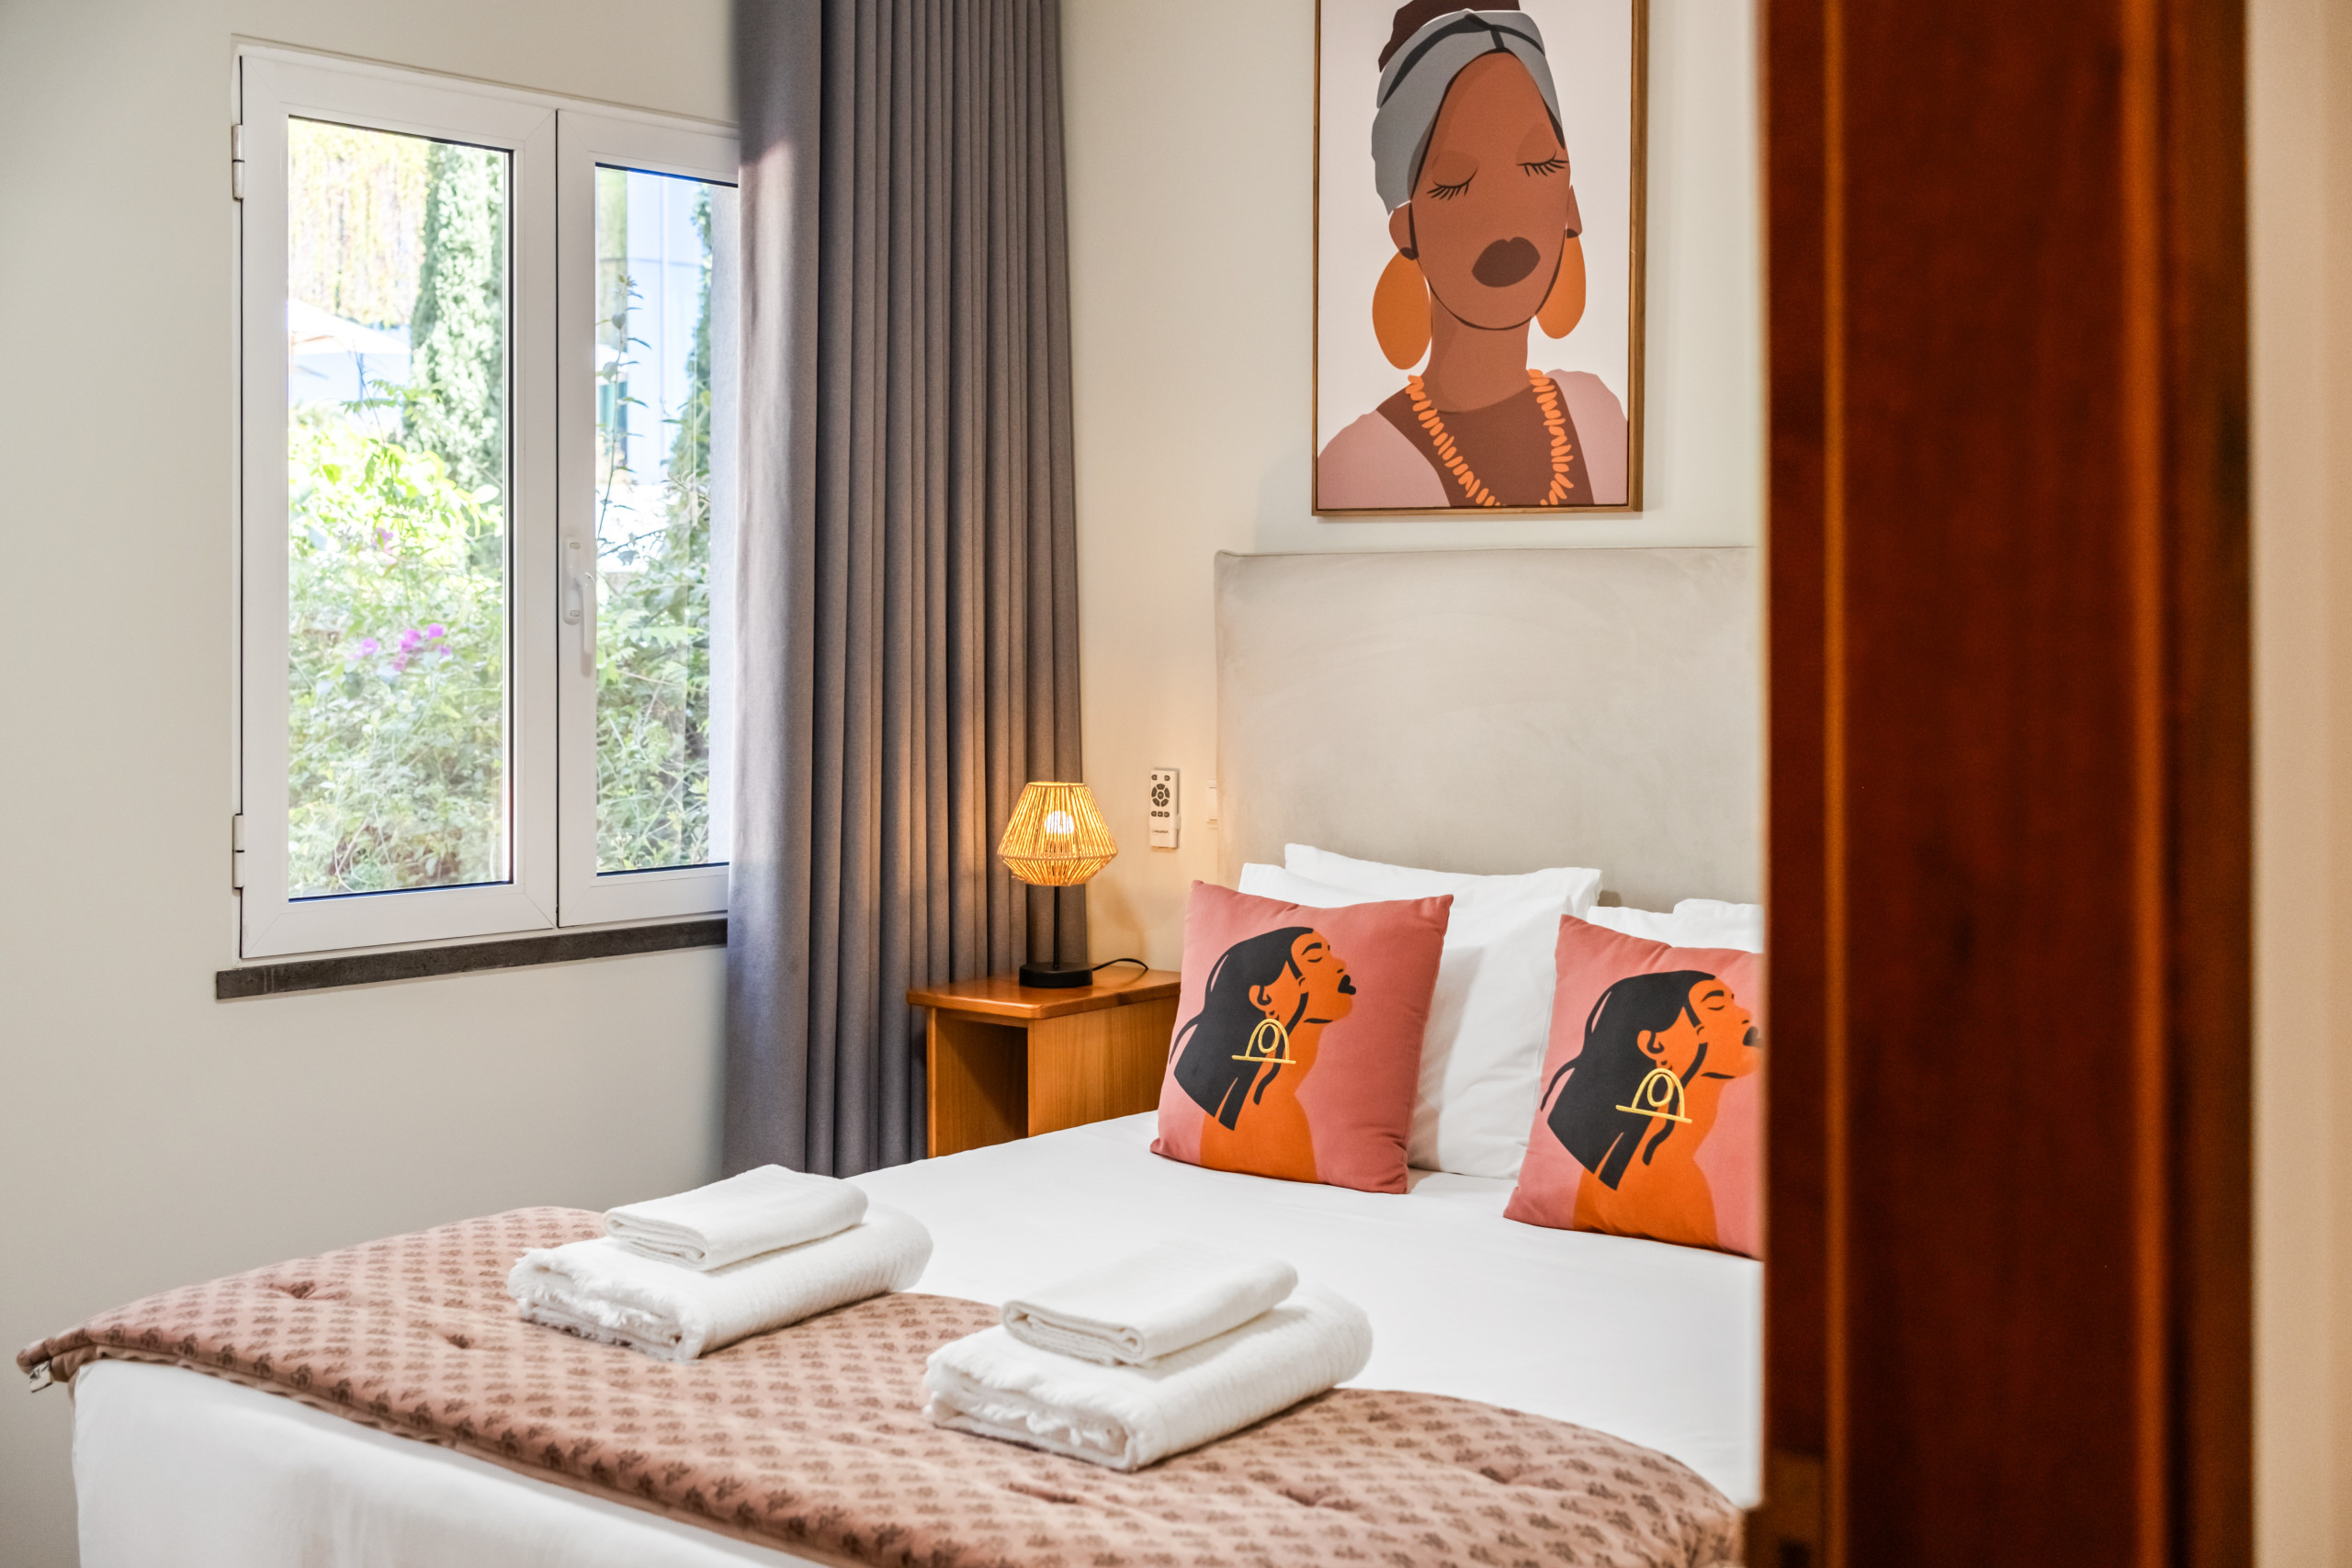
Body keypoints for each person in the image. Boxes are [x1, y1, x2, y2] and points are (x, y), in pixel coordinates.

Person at [1318, 2, 1629, 510]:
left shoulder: (1600, 416)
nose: (1504, 217)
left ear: (1570, 205)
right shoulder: (1360, 464)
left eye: (1539, 164)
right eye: (1455, 183)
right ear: (1405, 228)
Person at [1539, 969, 1761, 1247]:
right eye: (1716, 1005)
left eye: (1733, 1001)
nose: (1745, 1014)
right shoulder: (1669, 1179)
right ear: (1656, 1044)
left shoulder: (1620, 1162)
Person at [1170, 927, 1359, 1184]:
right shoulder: (1273, 1111)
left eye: (1330, 954)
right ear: (1264, 996)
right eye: (1315, 958)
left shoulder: (1240, 1102)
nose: (1340, 964)